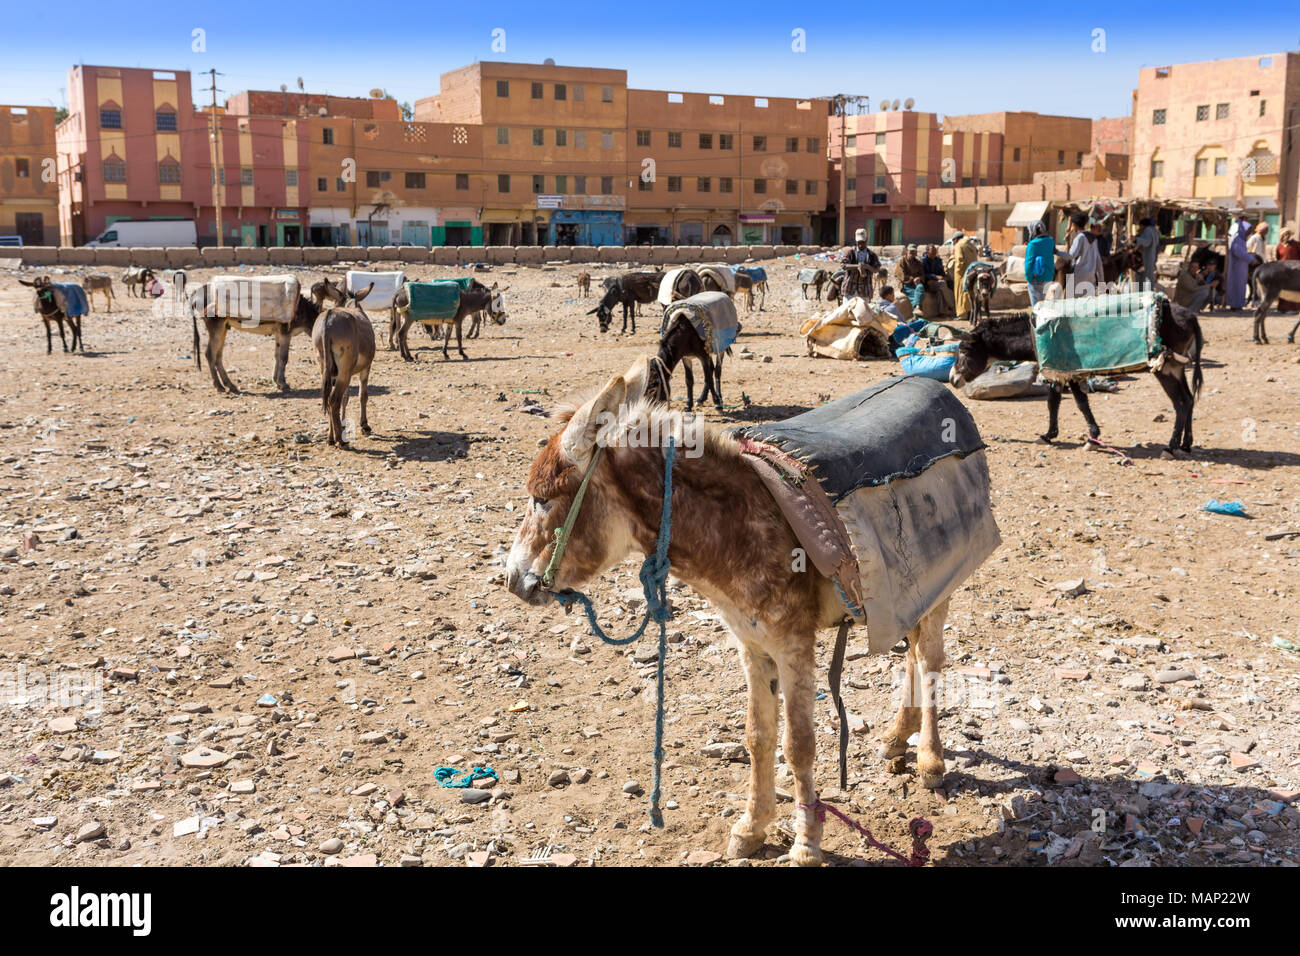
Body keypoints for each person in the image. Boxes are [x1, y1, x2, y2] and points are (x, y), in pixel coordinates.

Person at [1066, 212, 1102, 297]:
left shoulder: (1079, 237)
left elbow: (1071, 255)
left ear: (1074, 225)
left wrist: (1057, 252)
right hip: (1091, 276)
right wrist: (1101, 282)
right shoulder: (1094, 238)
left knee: (1074, 303)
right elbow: (1099, 262)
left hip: (1079, 275)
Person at [1024, 221, 1056, 306]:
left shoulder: (1032, 244)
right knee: (1044, 305)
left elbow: (1029, 263)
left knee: (1036, 306)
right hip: (1048, 278)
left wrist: (1028, 278)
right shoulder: (1050, 241)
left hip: (1035, 280)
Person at [842, 228, 880, 300]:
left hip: (865, 291)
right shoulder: (850, 253)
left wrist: (867, 266)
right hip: (850, 289)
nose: (860, 245)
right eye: (858, 242)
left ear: (866, 240)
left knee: (863, 311)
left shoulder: (871, 255)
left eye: (862, 242)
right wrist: (858, 266)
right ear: (856, 241)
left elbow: (876, 269)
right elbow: (844, 265)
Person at [1225, 212, 1250, 309]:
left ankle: (1237, 304)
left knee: (1239, 284)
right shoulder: (1237, 231)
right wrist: (1250, 258)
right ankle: (1235, 305)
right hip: (1237, 264)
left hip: (1241, 264)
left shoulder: (1238, 229)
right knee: (1237, 285)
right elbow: (1237, 250)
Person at [921, 244, 955, 315]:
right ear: (927, 252)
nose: (934, 254)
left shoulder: (938, 260)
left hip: (937, 282)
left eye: (935, 252)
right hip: (928, 283)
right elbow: (923, 274)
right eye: (932, 252)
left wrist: (942, 277)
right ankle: (952, 306)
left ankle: (942, 312)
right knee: (942, 285)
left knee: (941, 290)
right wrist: (934, 277)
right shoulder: (923, 261)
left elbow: (942, 273)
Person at [951, 233, 980, 319]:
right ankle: (970, 312)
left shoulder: (959, 245)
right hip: (972, 271)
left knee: (961, 293)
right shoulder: (970, 244)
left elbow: (960, 260)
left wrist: (957, 272)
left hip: (962, 273)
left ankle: (962, 314)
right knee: (970, 292)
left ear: (956, 239)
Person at [1276, 228, 1300, 314]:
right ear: (1282, 236)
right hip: (1283, 270)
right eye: (1285, 234)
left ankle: (1294, 308)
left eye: (1288, 234)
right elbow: (1278, 258)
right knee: (1284, 289)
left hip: (1294, 270)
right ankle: (1283, 308)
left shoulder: (1296, 244)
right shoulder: (1279, 246)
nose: (1286, 236)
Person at [1134, 217, 1160, 292]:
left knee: (1144, 280)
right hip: (1150, 259)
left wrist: (1136, 240)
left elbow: (1147, 242)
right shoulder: (1155, 231)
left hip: (1145, 260)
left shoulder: (1148, 230)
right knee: (1148, 278)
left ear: (1143, 225)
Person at [1245, 221, 1269, 305]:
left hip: (1261, 262)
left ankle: (1256, 299)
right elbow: (1247, 248)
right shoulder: (1254, 238)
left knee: (1259, 282)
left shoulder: (1264, 239)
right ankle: (1252, 299)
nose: (1267, 231)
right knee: (1252, 282)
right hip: (1253, 263)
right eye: (1265, 229)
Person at [898, 244, 926, 309]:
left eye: (914, 252)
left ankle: (917, 309)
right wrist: (912, 278)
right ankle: (918, 309)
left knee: (920, 287)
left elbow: (922, 275)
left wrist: (919, 278)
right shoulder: (902, 261)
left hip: (915, 284)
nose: (912, 254)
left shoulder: (918, 262)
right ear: (907, 251)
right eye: (911, 252)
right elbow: (900, 275)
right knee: (915, 295)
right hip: (906, 285)